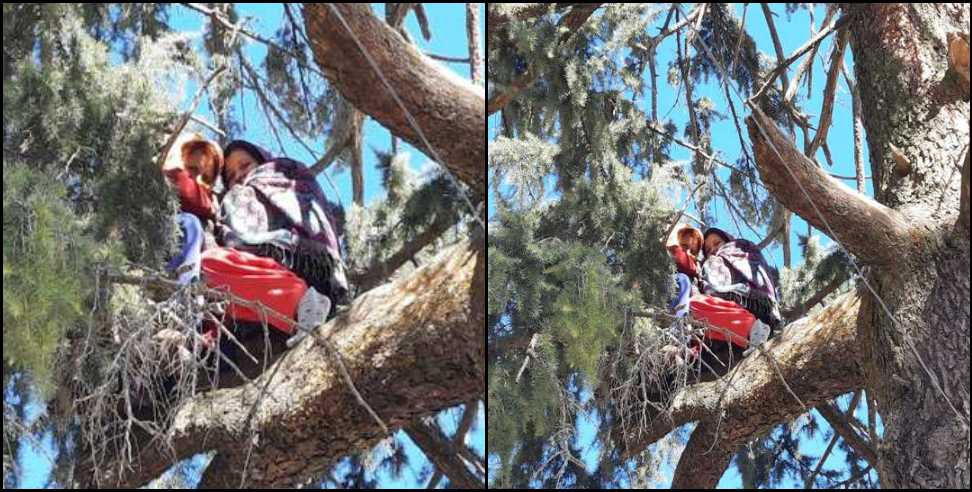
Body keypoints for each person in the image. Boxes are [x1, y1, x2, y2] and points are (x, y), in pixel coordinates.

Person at [207, 140, 349, 343]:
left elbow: (314, 221)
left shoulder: (285, 172)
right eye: (230, 176)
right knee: (208, 265)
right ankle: (298, 310)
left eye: (245, 165)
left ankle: (304, 303)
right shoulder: (228, 205)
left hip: (306, 266)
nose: (238, 175)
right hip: (262, 279)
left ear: (262, 160)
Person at [661, 225, 774, 365]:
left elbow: (682, 260)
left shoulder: (740, 248)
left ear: (727, 240)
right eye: (707, 250)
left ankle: (754, 329)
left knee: (695, 304)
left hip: (754, 303)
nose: (713, 250)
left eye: (717, 243)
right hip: (729, 315)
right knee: (695, 309)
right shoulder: (700, 274)